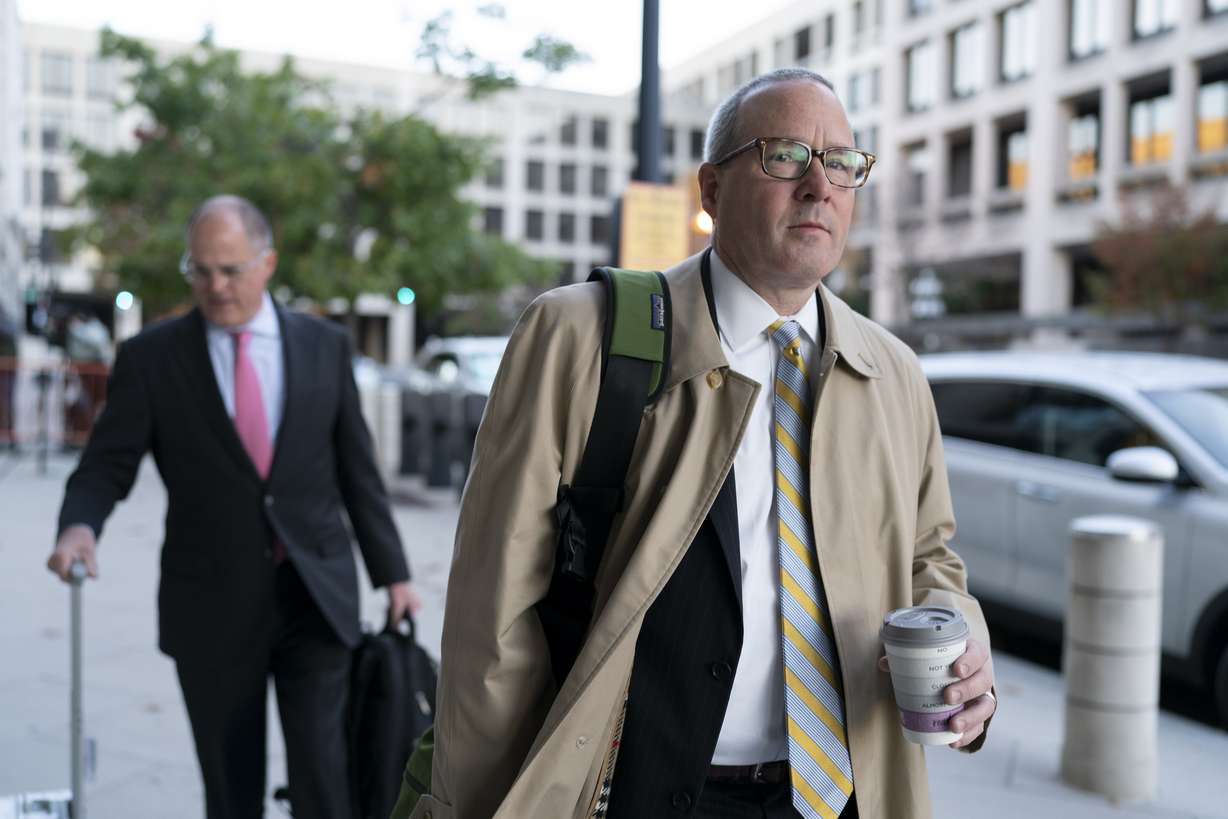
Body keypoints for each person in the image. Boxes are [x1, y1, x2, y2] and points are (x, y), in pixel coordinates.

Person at [416, 69, 997, 819]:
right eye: (785, 155)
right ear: (712, 190)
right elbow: (490, 619)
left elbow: (929, 556)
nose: (820, 185)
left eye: (843, 163)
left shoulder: (893, 373)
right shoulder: (577, 337)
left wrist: (963, 641)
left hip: (839, 793)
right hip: (625, 790)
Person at [46, 195, 420, 819]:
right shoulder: (151, 357)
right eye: (200, 271)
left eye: (231, 270)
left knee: (326, 782)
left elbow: (358, 471)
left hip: (315, 595)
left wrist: (395, 573)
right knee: (230, 790)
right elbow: (107, 464)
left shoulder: (323, 346)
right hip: (211, 606)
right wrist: (79, 527)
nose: (215, 287)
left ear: (267, 262)